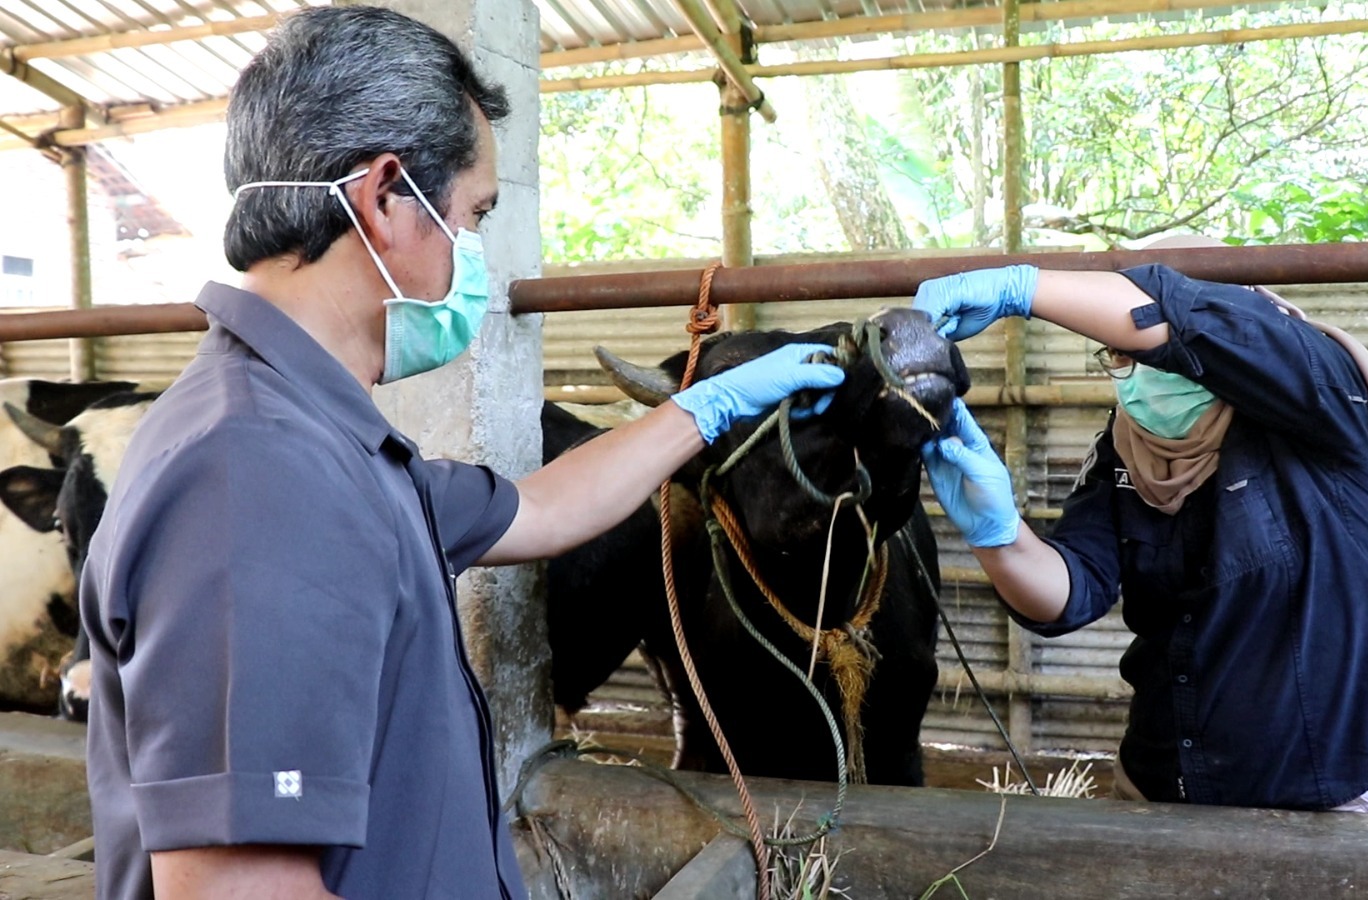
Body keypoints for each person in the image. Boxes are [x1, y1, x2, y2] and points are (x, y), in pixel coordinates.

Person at [77, 8, 845, 899]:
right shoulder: (255, 473)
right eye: (474, 214)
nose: (475, 255)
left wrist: (706, 410)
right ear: (387, 196)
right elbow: (236, 887)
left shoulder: (327, 445)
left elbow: (545, 507)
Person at [913, 254, 1368, 814]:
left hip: (1331, 791)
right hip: (1160, 787)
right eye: (1118, 357)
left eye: (1152, 353)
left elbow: (1189, 317)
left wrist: (1021, 287)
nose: (1141, 373)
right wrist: (998, 535)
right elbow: (1071, 592)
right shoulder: (1125, 448)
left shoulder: (1322, 402)